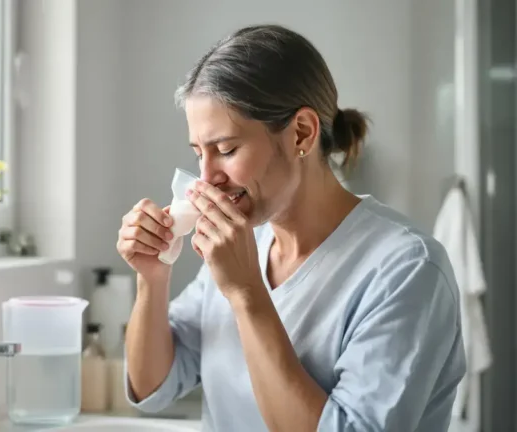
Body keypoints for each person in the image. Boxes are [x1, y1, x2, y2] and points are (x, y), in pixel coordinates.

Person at [116, 24, 466, 432]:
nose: (206, 177)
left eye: (226, 150)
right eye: (199, 153)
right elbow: (153, 388)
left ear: (301, 132)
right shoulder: (245, 246)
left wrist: (247, 293)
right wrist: (152, 277)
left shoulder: (407, 270)